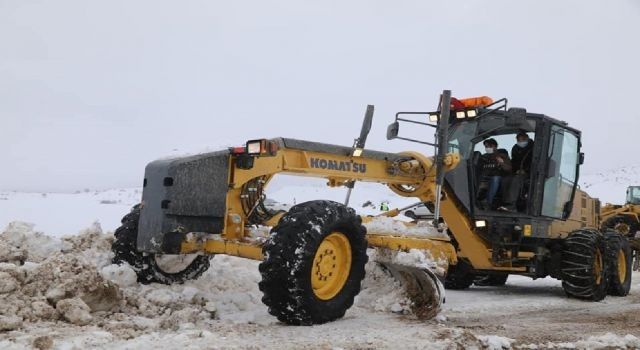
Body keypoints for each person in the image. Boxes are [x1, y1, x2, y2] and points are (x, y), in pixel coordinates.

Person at [501, 133, 534, 211]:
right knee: (506, 179)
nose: (520, 142)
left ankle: (512, 205)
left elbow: (534, 162)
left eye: (522, 140)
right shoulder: (515, 148)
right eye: (518, 140)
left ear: (527, 139)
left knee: (516, 180)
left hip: (529, 173)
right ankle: (504, 203)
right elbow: (514, 161)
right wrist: (514, 170)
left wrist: (525, 170)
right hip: (517, 171)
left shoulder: (533, 148)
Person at [478, 138, 511, 209]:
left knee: (495, 178)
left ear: (494, 146)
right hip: (483, 177)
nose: (487, 148)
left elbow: (508, 168)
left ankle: (488, 202)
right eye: (485, 147)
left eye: (488, 146)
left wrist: (502, 163)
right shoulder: (483, 157)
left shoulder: (502, 156)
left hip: (496, 177)